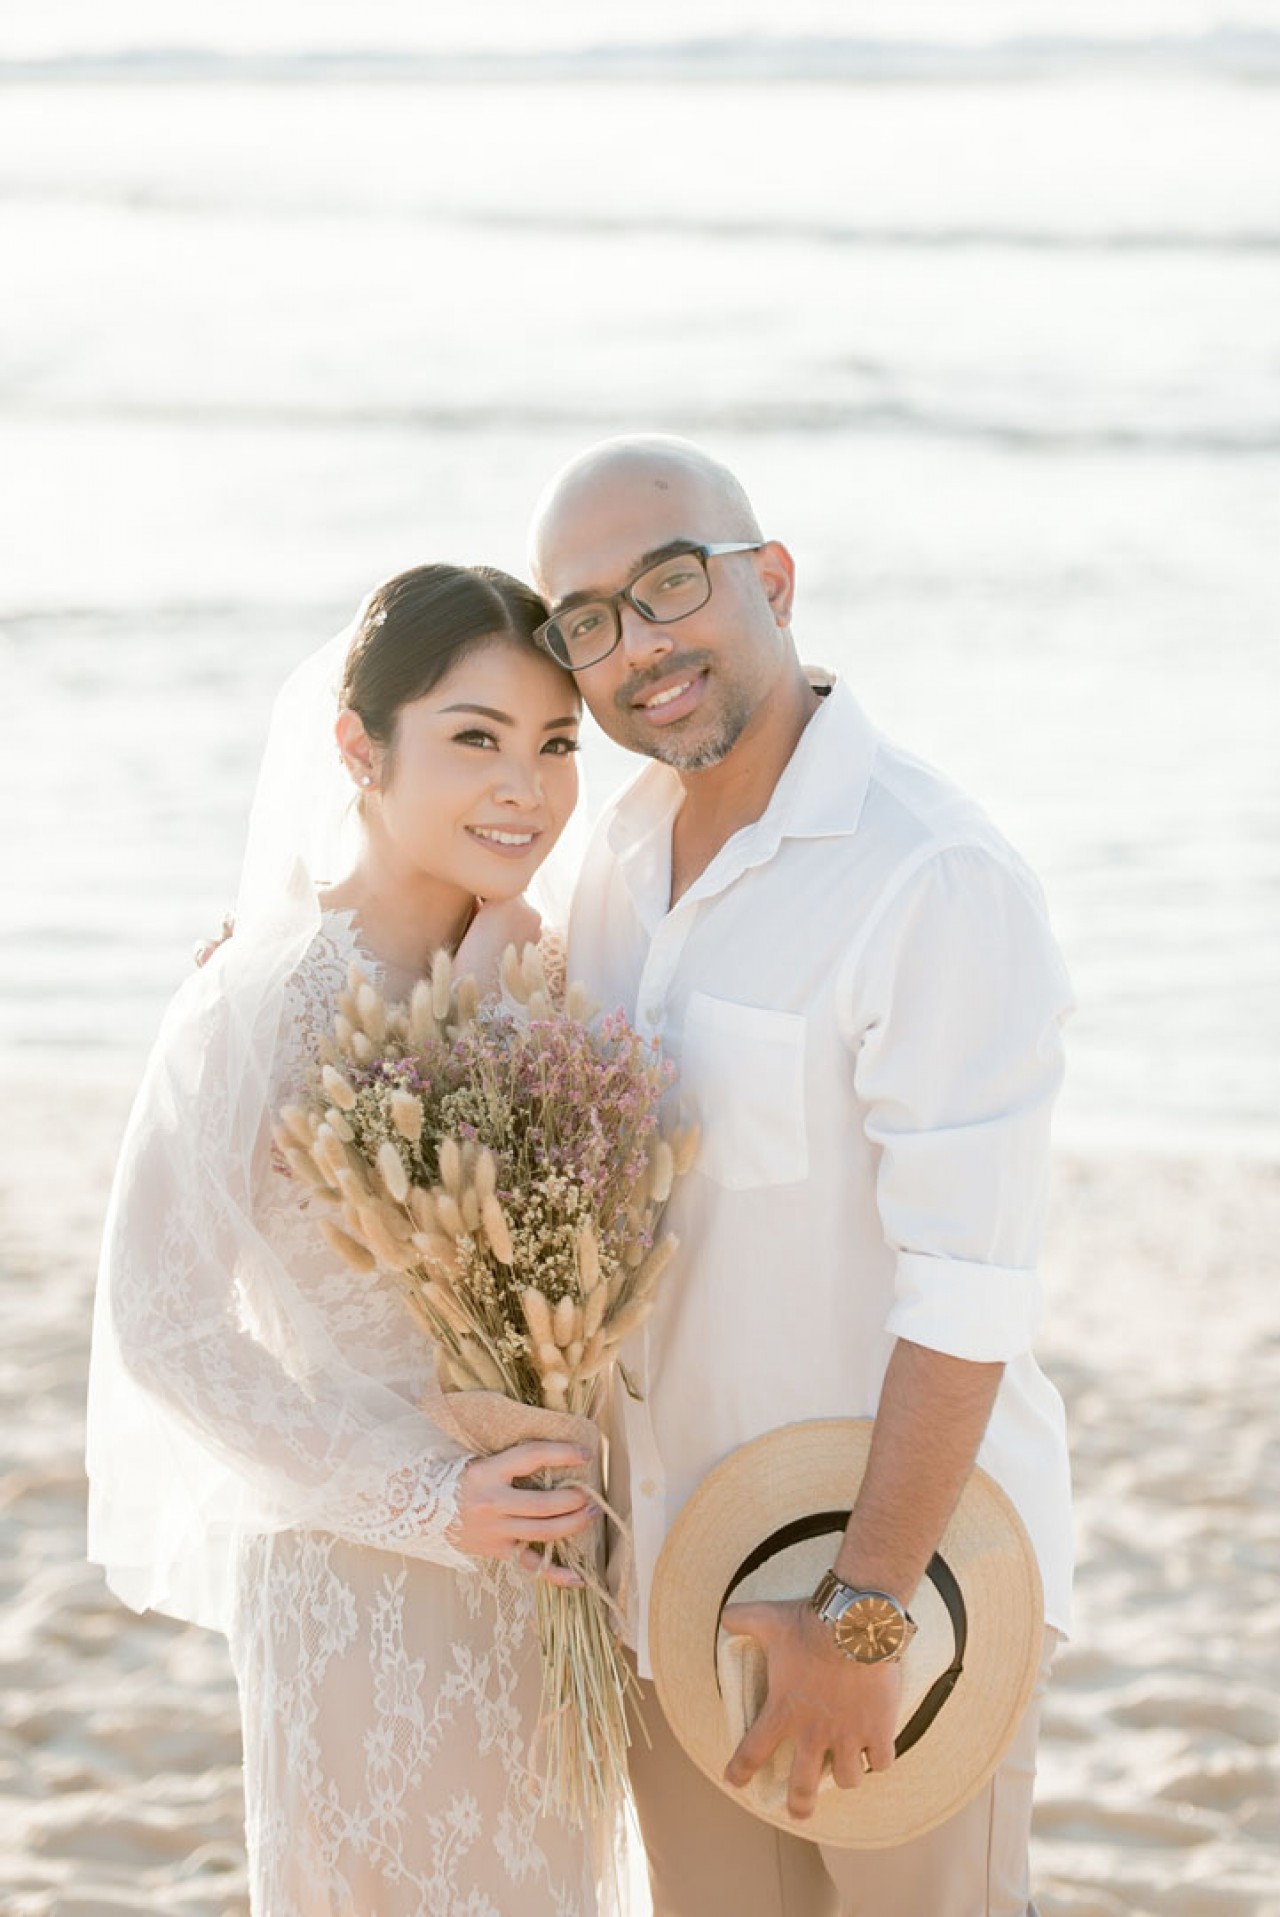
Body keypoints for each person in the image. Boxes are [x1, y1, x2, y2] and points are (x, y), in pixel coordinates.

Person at [528, 436, 1075, 1917]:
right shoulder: (609, 860)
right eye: (588, 620)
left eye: (671, 584)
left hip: (901, 1595)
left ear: (771, 579)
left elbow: (969, 1292)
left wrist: (862, 1609)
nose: (640, 646)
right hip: (666, 1590)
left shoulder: (930, 876)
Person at [87, 564, 607, 1916]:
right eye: (476, 737)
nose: (528, 788)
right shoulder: (254, 998)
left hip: (556, 1576)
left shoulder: (560, 979)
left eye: (557, 743)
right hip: (358, 1573)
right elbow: (163, 1322)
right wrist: (428, 1500)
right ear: (359, 748)